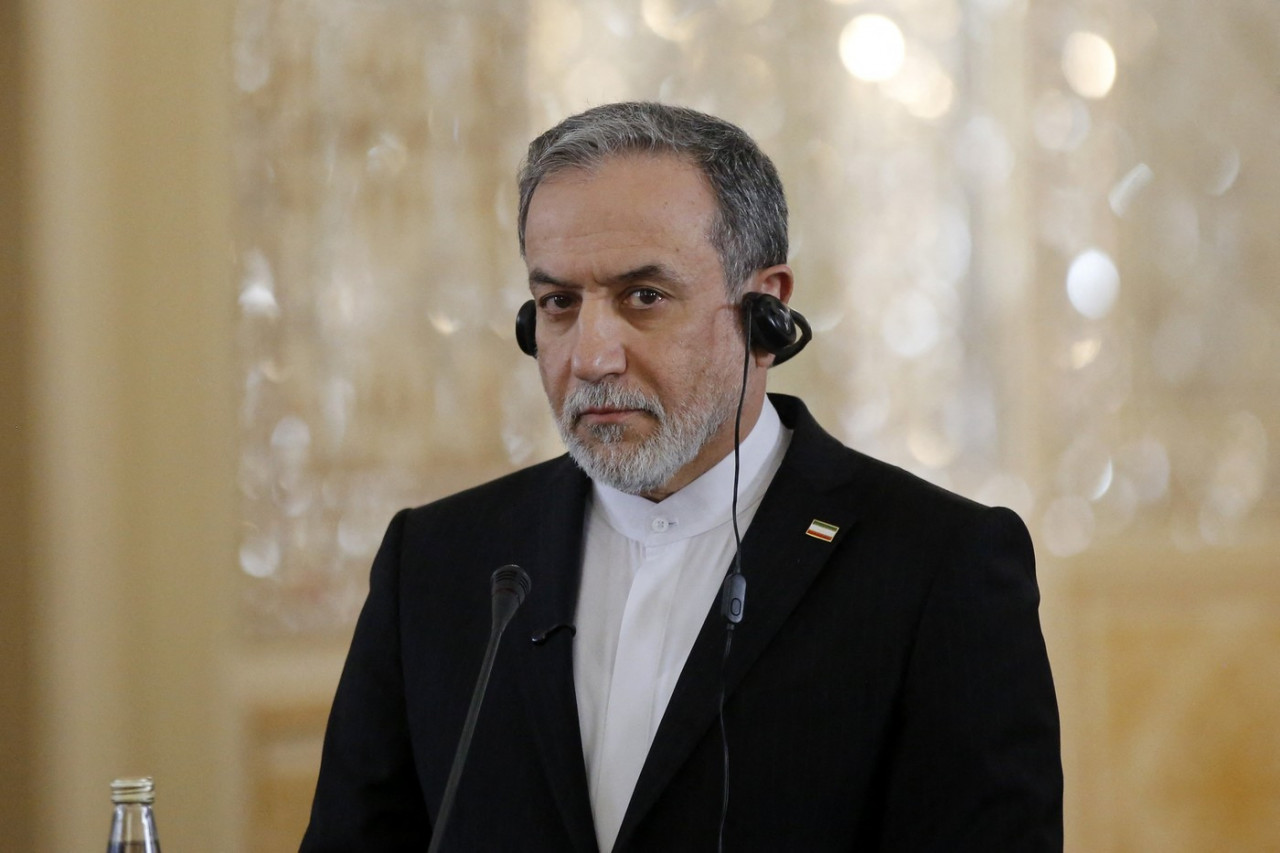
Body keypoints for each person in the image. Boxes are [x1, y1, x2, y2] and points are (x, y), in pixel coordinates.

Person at [301, 102, 1062, 852]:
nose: (591, 356)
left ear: (766, 313)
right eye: (559, 303)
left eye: (644, 297)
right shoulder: (436, 561)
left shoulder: (938, 565)